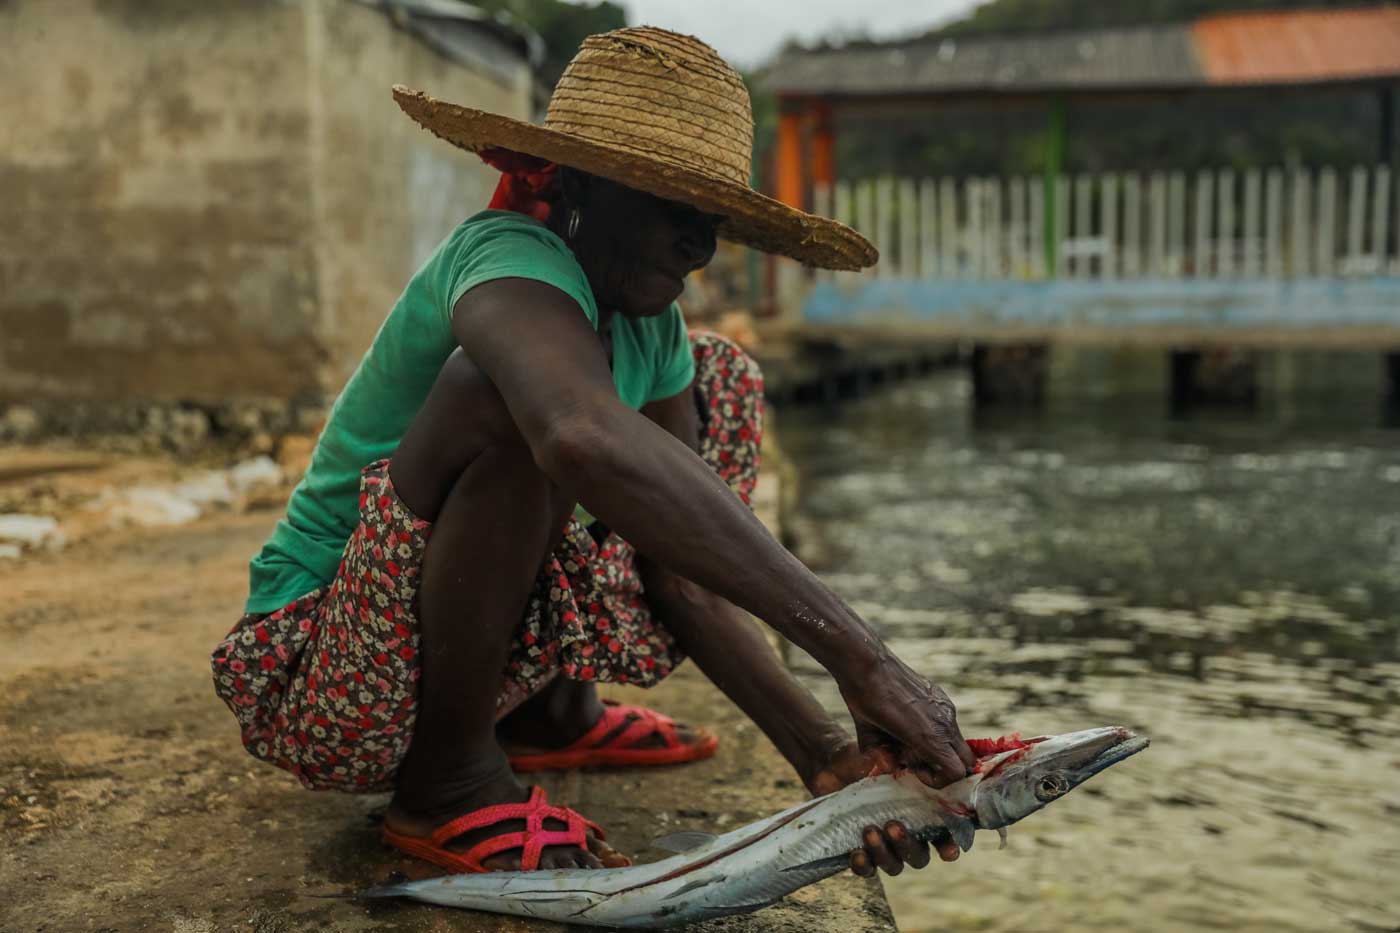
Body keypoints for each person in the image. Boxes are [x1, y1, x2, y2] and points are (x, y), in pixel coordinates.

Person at [212, 26, 974, 878]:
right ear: (574, 183)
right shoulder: (505, 257)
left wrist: (825, 751)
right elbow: (575, 433)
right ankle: (448, 781)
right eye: (668, 205)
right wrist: (862, 656)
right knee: (524, 407)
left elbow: (679, 573)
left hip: (455, 662)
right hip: (328, 670)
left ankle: (550, 713)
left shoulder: (657, 329)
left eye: (710, 218)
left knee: (710, 399)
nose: (699, 245)